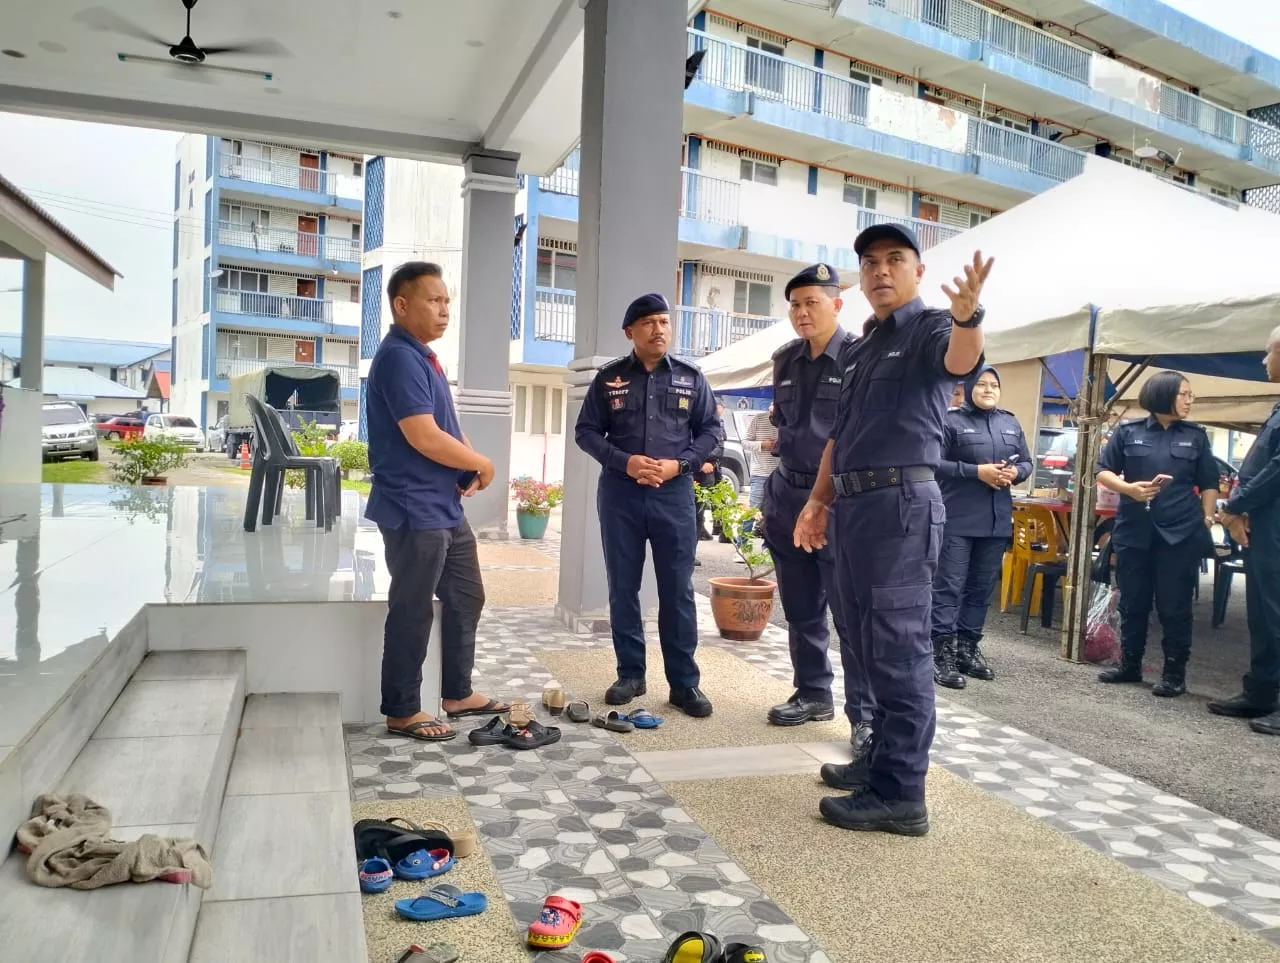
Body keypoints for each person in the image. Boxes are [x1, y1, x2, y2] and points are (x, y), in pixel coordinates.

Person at [794, 227, 991, 836]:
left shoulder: (934, 327)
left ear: (918, 271)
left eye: (895, 260)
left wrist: (970, 316)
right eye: (871, 262)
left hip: (900, 505)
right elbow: (839, 437)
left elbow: (962, 358)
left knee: (900, 647)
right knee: (861, 639)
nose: (882, 271)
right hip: (855, 507)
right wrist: (817, 501)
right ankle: (879, 760)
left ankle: (902, 793)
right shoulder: (861, 347)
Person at [364, 261, 511, 742]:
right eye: (434, 300)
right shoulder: (399, 358)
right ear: (401, 305)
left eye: (447, 301)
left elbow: (445, 425)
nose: (445, 310)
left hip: (442, 505)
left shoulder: (422, 356)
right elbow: (423, 436)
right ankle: (402, 708)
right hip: (412, 507)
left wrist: (466, 460)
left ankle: (457, 692)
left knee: (467, 595)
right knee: (412, 606)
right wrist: (484, 464)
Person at [576, 293, 724, 718]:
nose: (659, 329)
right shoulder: (608, 379)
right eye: (649, 323)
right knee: (623, 587)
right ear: (630, 332)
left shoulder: (692, 379)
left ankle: (684, 684)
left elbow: (711, 431)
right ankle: (630, 674)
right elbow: (585, 432)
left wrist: (681, 464)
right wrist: (626, 462)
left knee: (677, 592)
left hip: (674, 497)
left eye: (664, 322)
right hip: (621, 497)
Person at [761, 263, 874, 751]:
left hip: (836, 502)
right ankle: (812, 693)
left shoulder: (859, 357)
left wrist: (823, 499)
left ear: (837, 304)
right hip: (788, 493)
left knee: (849, 613)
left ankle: (864, 716)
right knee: (801, 606)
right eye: (795, 304)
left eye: (812, 302)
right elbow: (783, 423)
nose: (802, 312)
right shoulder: (785, 359)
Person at [1095, 370, 1219, 697]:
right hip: (1135, 529)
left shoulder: (1195, 436)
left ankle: (1174, 674)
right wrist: (1127, 489)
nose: (1190, 400)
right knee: (1133, 600)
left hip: (1180, 532)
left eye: (1190, 395)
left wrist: (1207, 518)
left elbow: (1209, 482)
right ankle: (1129, 665)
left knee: (1174, 605)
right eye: (1184, 394)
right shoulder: (1128, 431)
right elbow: (1102, 470)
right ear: (1163, 395)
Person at [931, 365, 1031, 688]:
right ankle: (940, 652)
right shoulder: (950, 420)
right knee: (949, 586)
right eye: (983, 384)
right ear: (969, 386)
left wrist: (1016, 474)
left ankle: (968, 649)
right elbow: (933, 462)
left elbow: (1027, 462)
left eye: (994, 385)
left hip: (996, 520)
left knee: (981, 589)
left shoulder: (1010, 422)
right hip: (958, 519)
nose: (989, 390)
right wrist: (977, 472)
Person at [1211, 326, 1280, 734]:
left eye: (1269, 351)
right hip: (1264, 524)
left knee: (1275, 612)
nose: (1263, 360)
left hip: (1271, 523)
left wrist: (1236, 504)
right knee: (1262, 611)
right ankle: (1260, 691)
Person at [742, 405, 779, 536]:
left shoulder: (786, 421)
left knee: (774, 513)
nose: (773, 417)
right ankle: (742, 545)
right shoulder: (758, 419)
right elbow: (744, 442)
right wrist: (762, 445)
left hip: (780, 474)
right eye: (771, 413)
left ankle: (767, 549)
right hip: (760, 473)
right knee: (752, 510)